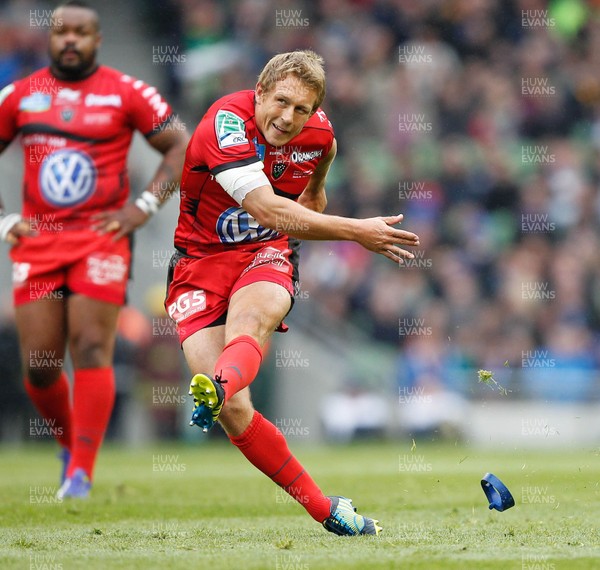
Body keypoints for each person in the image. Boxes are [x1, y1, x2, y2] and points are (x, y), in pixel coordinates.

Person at [166, 50, 419, 535]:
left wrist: (317, 189)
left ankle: (218, 384)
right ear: (259, 92)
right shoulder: (224, 124)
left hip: (266, 252)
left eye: (301, 109)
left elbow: (326, 149)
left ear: (314, 110)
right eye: (280, 102)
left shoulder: (318, 132)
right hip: (198, 265)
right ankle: (326, 507)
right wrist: (354, 230)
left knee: (252, 321)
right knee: (237, 413)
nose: (288, 118)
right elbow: (265, 208)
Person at [0, 1, 189, 498]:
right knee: (40, 365)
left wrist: (143, 207)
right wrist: (4, 219)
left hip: (101, 237)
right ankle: (69, 445)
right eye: (62, 32)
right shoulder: (20, 95)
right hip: (38, 241)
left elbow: (179, 143)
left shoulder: (126, 92)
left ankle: (81, 471)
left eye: (81, 33)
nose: (70, 40)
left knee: (89, 347)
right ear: (49, 38)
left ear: (97, 39)